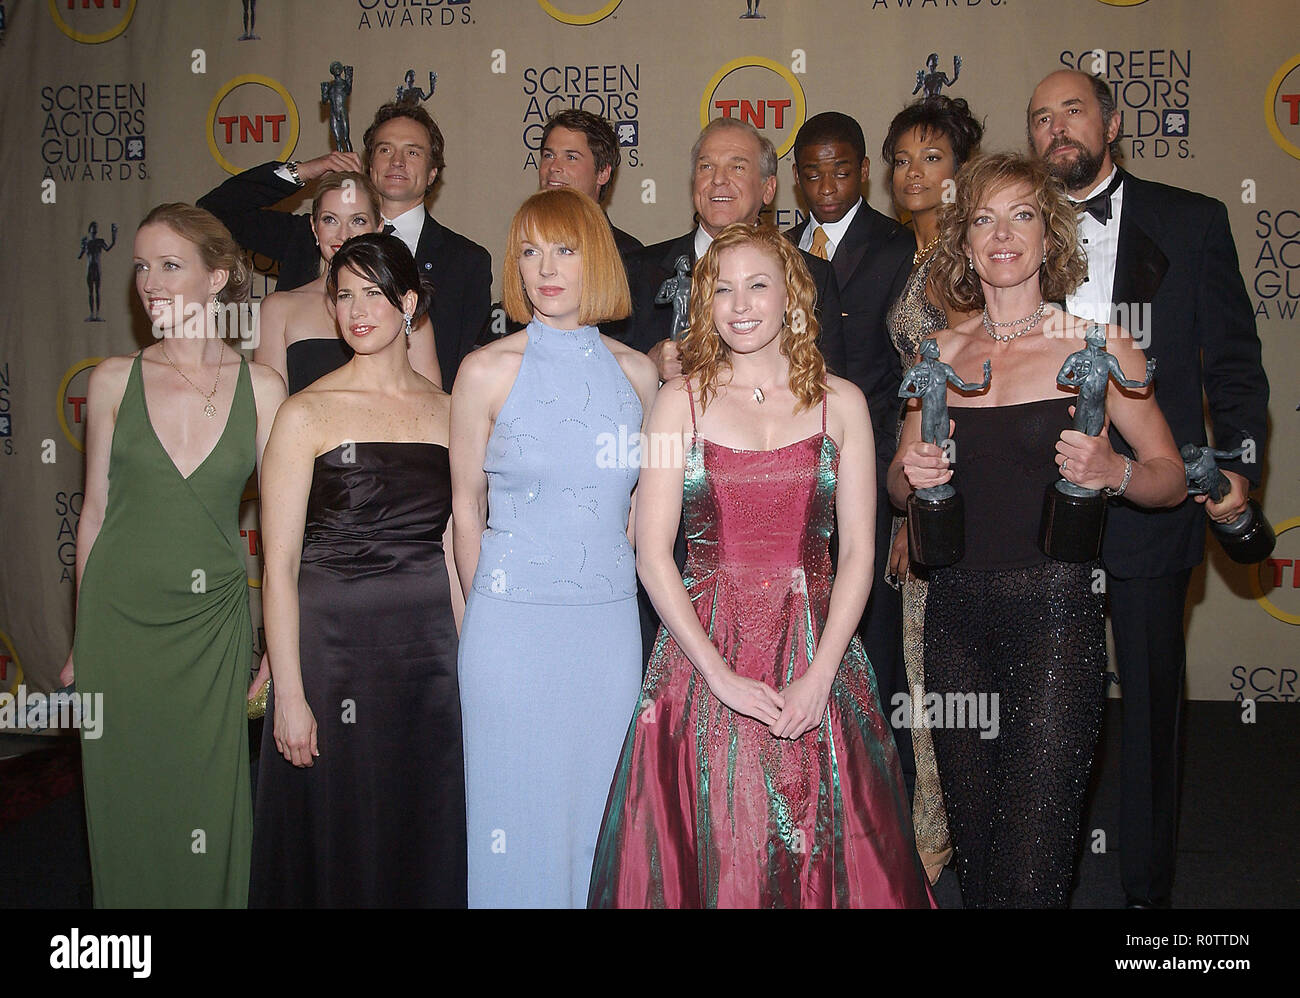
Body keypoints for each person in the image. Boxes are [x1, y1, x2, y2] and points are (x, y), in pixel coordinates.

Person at [589, 223, 934, 908]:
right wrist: (716, 674)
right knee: (719, 849)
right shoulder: (674, 403)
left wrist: (820, 676)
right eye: (721, 289)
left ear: (792, 298)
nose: (739, 304)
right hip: (701, 656)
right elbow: (652, 551)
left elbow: (860, 552)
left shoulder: (844, 403)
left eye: (757, 285)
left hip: (817, 651)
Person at [889, 153, 1185, 908]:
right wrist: (911, 477)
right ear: (962, 243)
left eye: (1021, 215)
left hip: (1054, 623)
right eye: (983, 219)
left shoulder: (1100, 347)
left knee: (1035, 859)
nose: (1002, 235)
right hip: (953, 623)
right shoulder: (938, 354)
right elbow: (895, 480)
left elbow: (1169, 475)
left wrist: (1113, 472)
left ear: (1049, 239)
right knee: (981, 859)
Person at [1028, 69, 1269, 909]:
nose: (1057, 129)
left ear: (1113, 120)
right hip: (1040, 508)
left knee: (1153, 701)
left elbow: (1234, 364)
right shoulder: (1014, 233)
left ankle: (1146, 897)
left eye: (1073, 112)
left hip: (1151, 501)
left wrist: (1237, 467)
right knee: (1045, 706)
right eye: (1041, 118)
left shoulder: (1192, 220)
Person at [64, 203, 286, 907]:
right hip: (119, 625)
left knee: (207, 802)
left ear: (218, 278)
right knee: (124, 804)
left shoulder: (264, 389)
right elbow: (93, 517)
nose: (148, 282)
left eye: (169, 265)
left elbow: (285, 538)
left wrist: (279, 653)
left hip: (211, 630)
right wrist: (81, 640)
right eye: (139, 266)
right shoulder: (111, 381)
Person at [450, 188, 658, 908]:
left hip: (604, 628)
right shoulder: (484, 371)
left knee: (597, 820)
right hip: (508, 630)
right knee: (510, 816)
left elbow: (641, 515)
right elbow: (463, 509)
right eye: (529, 251)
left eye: (564, 249)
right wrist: (486, 615)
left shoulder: (639, 376)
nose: (545, 268)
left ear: (594, 257)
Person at [250, 233, 465, 907]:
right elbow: (278, 566)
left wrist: (470, 663)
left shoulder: (451, 412)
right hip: (332, 652)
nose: (357, 309)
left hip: (430, 655)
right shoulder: (304, 412)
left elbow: (460, 552)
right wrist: (288, 692)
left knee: (421, 819)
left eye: (374, 292)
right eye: (344, 295)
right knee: (338, 823)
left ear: (408, 303)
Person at [625, 117, 846, 663]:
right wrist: (650, 368)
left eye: (737, 166)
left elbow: (821, 399)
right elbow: (611, 397)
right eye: (706, 166)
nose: (718, 179)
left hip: (789, 557)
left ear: (770, 189)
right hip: (672, 546)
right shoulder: (638, 269)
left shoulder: (815, 275)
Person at [785, 110, 918, 804]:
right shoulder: (782, 250)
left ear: (865, 170)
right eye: (811, 171)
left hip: (871, 473)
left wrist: (902, 503)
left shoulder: (899, 246)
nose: (826, 183)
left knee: (873, 645)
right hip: (794, 477)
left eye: (841, 168)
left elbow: (906, 382)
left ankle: (879, 807)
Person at [198, 101, 492, 387]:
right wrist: (305, 171)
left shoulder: (467, 262)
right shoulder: (310, 237)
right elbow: (214, 212)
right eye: (385, 149)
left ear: (432, 172)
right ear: (368, 164)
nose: (397, 161)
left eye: (413, 152)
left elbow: (463, 376)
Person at [879, 94, 984, 883]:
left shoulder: (967, 257)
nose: (915, 173)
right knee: (926, 678)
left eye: (934, 158)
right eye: (904, 159)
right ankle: (936, 836)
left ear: (962, 171)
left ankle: (944, 840)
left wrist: (924, 511)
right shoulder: (912, 254)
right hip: (924, 482)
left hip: (964, 493)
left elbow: (971, 388)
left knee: (951, 676)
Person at [252, 171, 441, 393]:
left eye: (358, 220)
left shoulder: (403, 305)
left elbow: (429, 401)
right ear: (314, 227)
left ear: (379, 227)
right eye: (330, 220)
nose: (344, 234)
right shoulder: (278, 309)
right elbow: (269, 411)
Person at [483, 109, 643, 344]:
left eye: (571, 157)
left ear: (603, 173)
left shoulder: (630, 257)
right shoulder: (520, 238)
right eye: (548, 155)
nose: (554, 167)